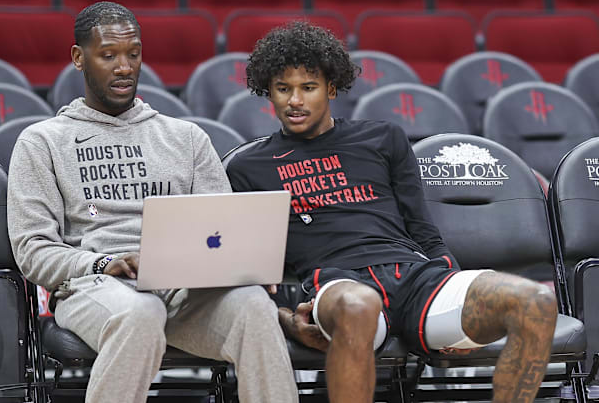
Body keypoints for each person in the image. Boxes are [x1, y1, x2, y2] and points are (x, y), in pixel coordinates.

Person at [225, 21, 558, 403]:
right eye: (283, 89)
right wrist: (284, 318)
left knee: (537, 302)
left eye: (308, 88)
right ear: (268, 93)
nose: (294, 101)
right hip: (339, 283)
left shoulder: (383, 138)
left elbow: (424, 231)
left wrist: (459, 320)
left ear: (331, 88)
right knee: (359, 305)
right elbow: (247, 269)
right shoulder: (249, 166)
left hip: (417, 278)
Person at [6, 2, 298, 403]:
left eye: (133, 54)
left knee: (254, 308)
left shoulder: (186, 137)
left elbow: (223, 231)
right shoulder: (43, 142)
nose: (124, 67)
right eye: (108, 55)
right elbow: (32, 251)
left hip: (185, 293)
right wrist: (103, 262)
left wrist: (239, 266)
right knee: (140, 313)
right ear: (79, 58)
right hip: (95, 286)